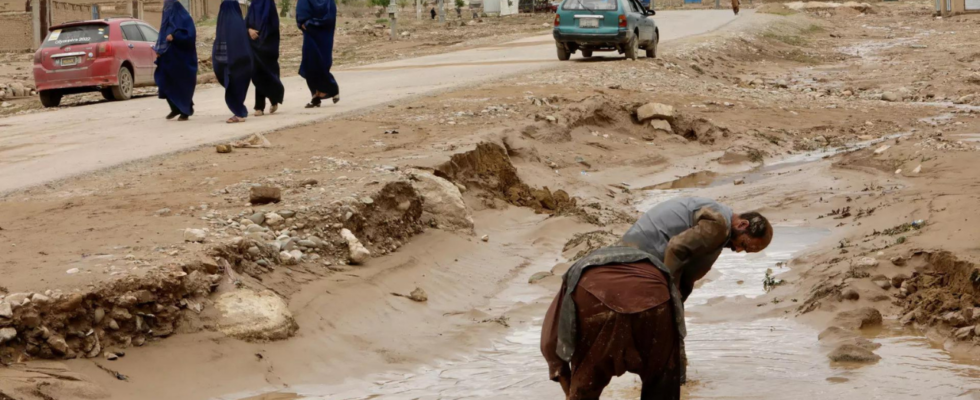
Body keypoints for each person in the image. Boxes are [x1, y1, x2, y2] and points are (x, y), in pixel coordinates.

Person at [541, 197, 773, 400]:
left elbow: (553, 343)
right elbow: (675, 248)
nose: (739, 251)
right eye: (743, 245)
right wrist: (668, 292)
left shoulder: (711, 213)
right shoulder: (719, 225)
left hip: (625, 259)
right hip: (649, 274)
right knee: (663, 377)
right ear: (742, 224)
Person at [154, 0, 197, 121]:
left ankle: (185, 110)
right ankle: (175, 108)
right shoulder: (166, 23)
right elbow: (162, 37)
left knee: (182, 84)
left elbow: (190, 36)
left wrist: (175, 36)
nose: (166, 10)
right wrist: (158, 50)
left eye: (169, 7)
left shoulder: (185, 19)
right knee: (164, 82)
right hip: (167, 58)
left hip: (182, 60)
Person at [213, 0, 253, 123]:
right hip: (241, 61)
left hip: (235, 62)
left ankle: (239, 113)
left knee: (234, 86)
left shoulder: (229, 24)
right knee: (236, 86)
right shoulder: (239, 22)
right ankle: (239, 111)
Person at [296, 0, 341, 108]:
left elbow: (330, 17)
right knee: (310, 64)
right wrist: (304, 23)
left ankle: (332, 89)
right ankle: (315, 95)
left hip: (324, 35)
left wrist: (312, 23)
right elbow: (301, 12)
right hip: (310, 35)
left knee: (323, 63)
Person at [247, 0, 285, 116]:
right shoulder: (253, 4)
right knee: (258, 74)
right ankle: (259, 106)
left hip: (268, 46)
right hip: (254, 46)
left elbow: (272, 25)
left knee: (269, 73)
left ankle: (273, 100)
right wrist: (249, 30)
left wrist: (263, 37)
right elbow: (247, 22)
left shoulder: (269, 4)